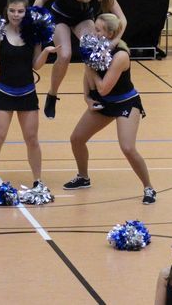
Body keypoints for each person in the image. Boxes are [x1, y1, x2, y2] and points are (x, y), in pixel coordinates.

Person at [63, 13, 156, 204]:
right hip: (104, 103)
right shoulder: (94, 47)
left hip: (125, 103)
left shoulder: (120, 56)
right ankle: (83, 177)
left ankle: (149, 187)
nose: (94, 33)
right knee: (77, 139)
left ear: (110, 34)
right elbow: (87, 77)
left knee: (127, 147)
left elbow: (103, 87)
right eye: (94, 28)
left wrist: (90, 68)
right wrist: (87, 98)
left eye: (98, 30)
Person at [0, 0, 56, 197]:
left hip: (27, 93)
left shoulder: (34, 33)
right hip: (4, 92)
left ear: (26, 12)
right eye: (12, 11)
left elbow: (36, 65)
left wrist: (46, 52)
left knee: (32, 139)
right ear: (7, 11)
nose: (16, 15)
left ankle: (38, 181)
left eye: (20, 11)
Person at [34, 0, 127, 119]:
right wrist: (36, 17)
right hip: (60, 17)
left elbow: (122, 19)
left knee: (92, 51)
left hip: (82, 19)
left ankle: (90, 96)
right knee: (65, 55)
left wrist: (114, 42)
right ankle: (52, 94)